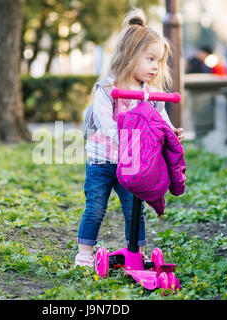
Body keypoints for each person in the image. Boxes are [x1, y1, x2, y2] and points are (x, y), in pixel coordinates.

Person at [75, 7, 185, 268]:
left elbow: (160, 120)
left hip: (132, 163)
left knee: (134, 209)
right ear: (130, 55)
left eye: (158, 61)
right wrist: (131, 142)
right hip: (102, 161)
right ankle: (84, 253)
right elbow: (105, 123)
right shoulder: (106, 89)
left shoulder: (150, 94)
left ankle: (137, 252)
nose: (156, 67)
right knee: (96, 207)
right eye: (150, 59)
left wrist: (171, 133)